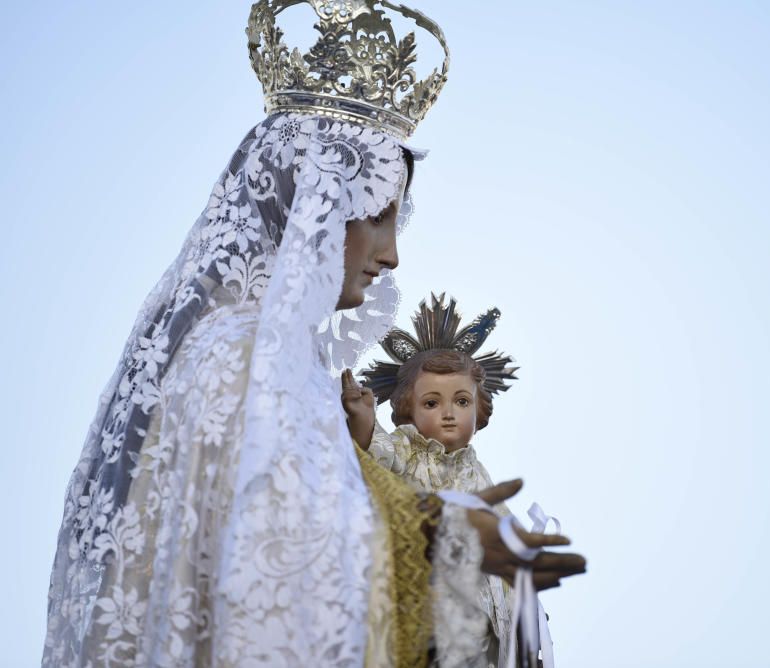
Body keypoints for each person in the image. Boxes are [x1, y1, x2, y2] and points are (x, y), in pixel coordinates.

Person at [42, 2, 586, 666]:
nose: (391, 255)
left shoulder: (274, 358)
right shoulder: (238, 353)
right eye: (379, 217)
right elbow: (279, 558)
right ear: (314, 207)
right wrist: (438, 532)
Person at [342, 294, 524, 666]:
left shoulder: (479, 474)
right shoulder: (406, 448)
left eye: (461, 402)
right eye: (431, 403)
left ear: (479, 409)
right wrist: (362, 424)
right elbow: (372, 460)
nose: (448, 414)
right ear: (408, 406)